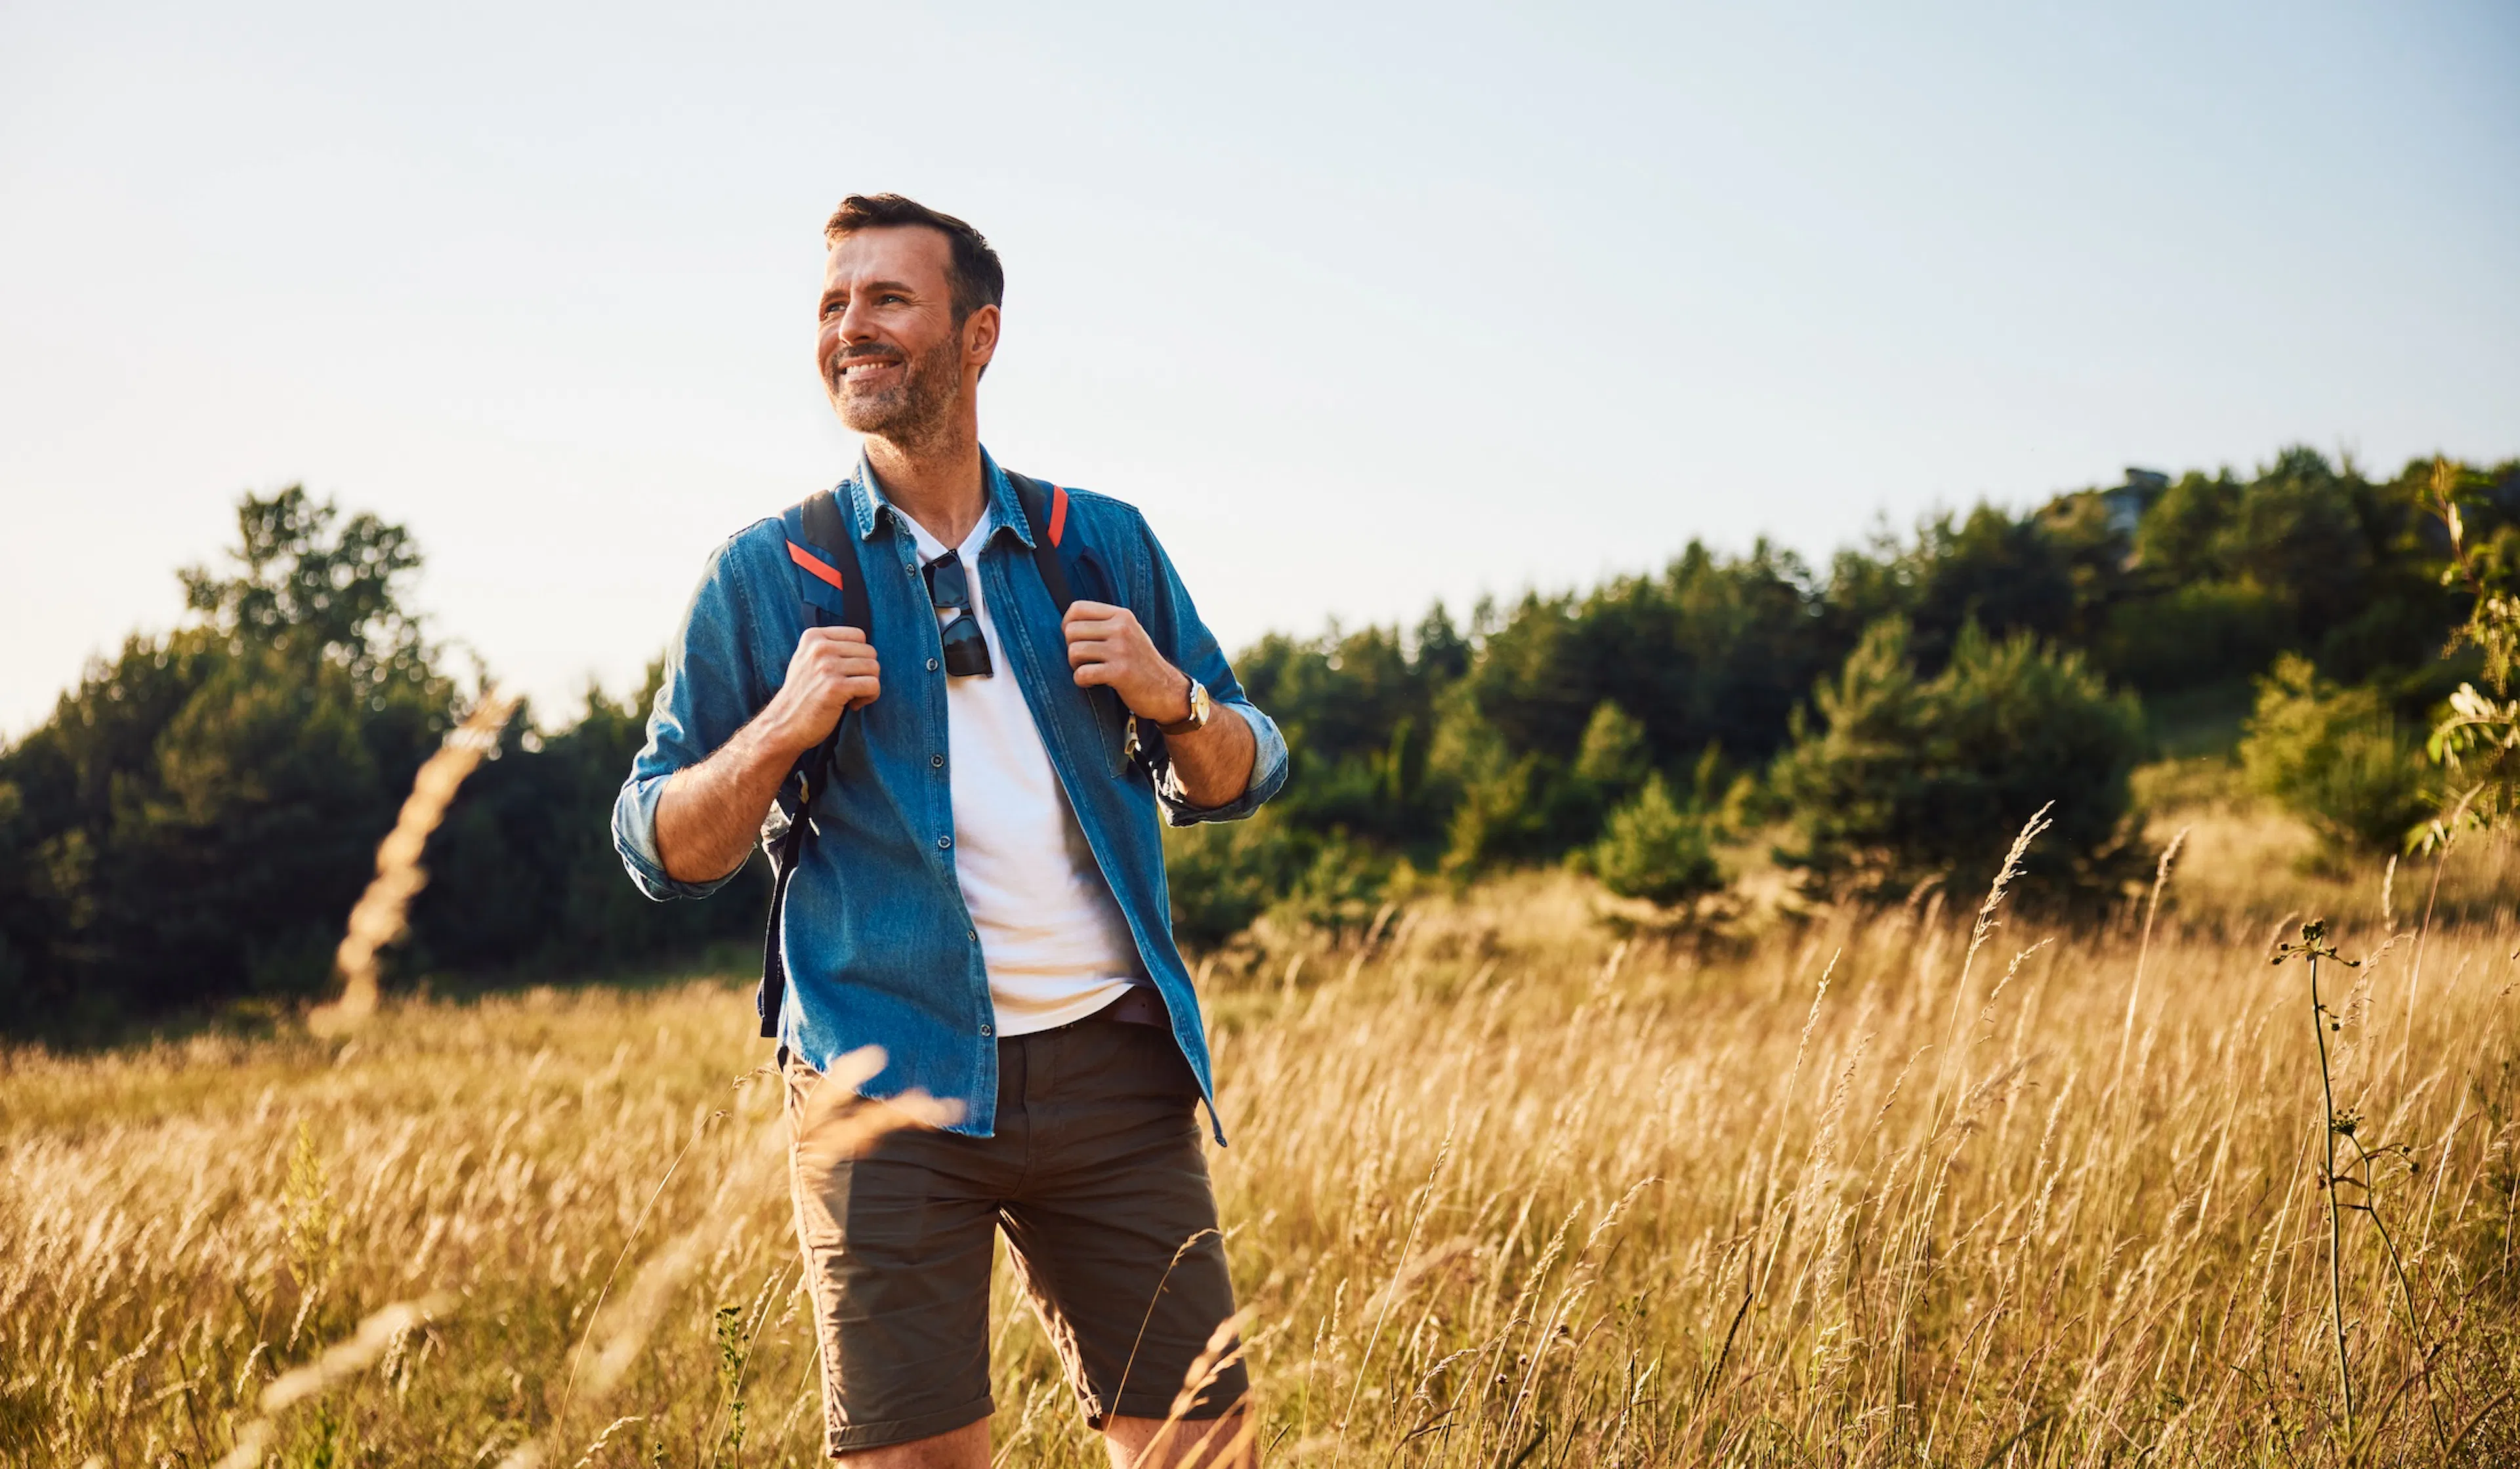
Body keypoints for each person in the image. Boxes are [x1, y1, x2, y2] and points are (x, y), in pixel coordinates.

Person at [612, 194, 1284, 1467]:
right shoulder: (768, 575)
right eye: (831, 304)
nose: (850, 328)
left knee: (1207, 1454)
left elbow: (1248, 764)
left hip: (1108, 1074)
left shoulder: (1100, 544)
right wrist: (775, 733)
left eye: (886, 300)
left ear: (978, 336)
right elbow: (657, 843)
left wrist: (1172, 696)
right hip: (883, 1078)